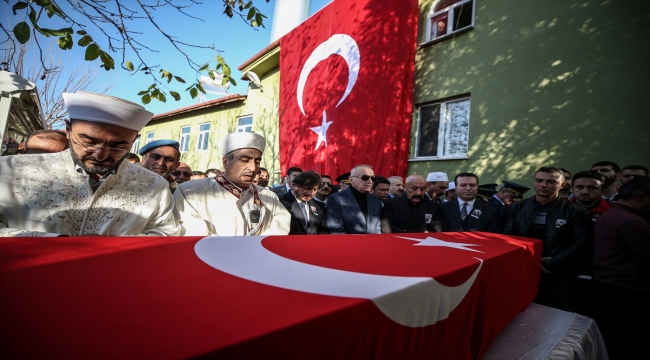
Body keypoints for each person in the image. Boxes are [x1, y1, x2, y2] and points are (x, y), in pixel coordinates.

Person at [0, 92, 180, 236]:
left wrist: (109, 248)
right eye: (88, 142)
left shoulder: (155, 186)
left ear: (134, 140)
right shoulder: (10, 170)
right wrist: (55, 243)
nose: (100, 155)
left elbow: (166, 232)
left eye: (117, 146)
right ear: (69, 130)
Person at [503, 167, 591, 311]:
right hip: (524, 270)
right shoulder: (516, 207)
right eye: (539, 180)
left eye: (551, 182)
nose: (543, 185)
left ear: (563, 185)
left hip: (559, 274)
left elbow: (580, 243)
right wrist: (530, 261)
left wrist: (551, 262)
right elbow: (507, 237)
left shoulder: (576, 211)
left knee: (556, 317)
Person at [173, 132, 290, 236]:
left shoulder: (269, 196)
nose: (253, 167)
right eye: (244, 160)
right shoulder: (191, 192)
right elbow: (193, 235)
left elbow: (280, 227)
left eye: (257, 161)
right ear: (225, 162)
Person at [592, 176, 650, 359]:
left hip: (608, 290)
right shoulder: (631, 222)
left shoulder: (613, 214)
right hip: (626, 296)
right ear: (640, 197)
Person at [325, 165, 382, 234]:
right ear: (351, 179)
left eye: (373, 179)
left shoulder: (376, 200)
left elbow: (377, 228)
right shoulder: (336, 199)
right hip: (348, 243)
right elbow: (336, 230)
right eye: (365, 177)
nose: (370, 181)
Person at [380, 175, 445, 233]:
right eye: (414, 188)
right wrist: (413, 235)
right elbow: (388, 228)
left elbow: (439, 227)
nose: (419, 193)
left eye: (422, 189)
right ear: (405, 188)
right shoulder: (391, 204)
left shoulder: (434, 206)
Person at [279, 170, 327, 235]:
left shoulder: (319, 206)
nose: (311, 193)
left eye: (315, 189)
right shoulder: (279, 202)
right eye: (307, 188)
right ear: (294, 185)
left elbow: (323, 232)